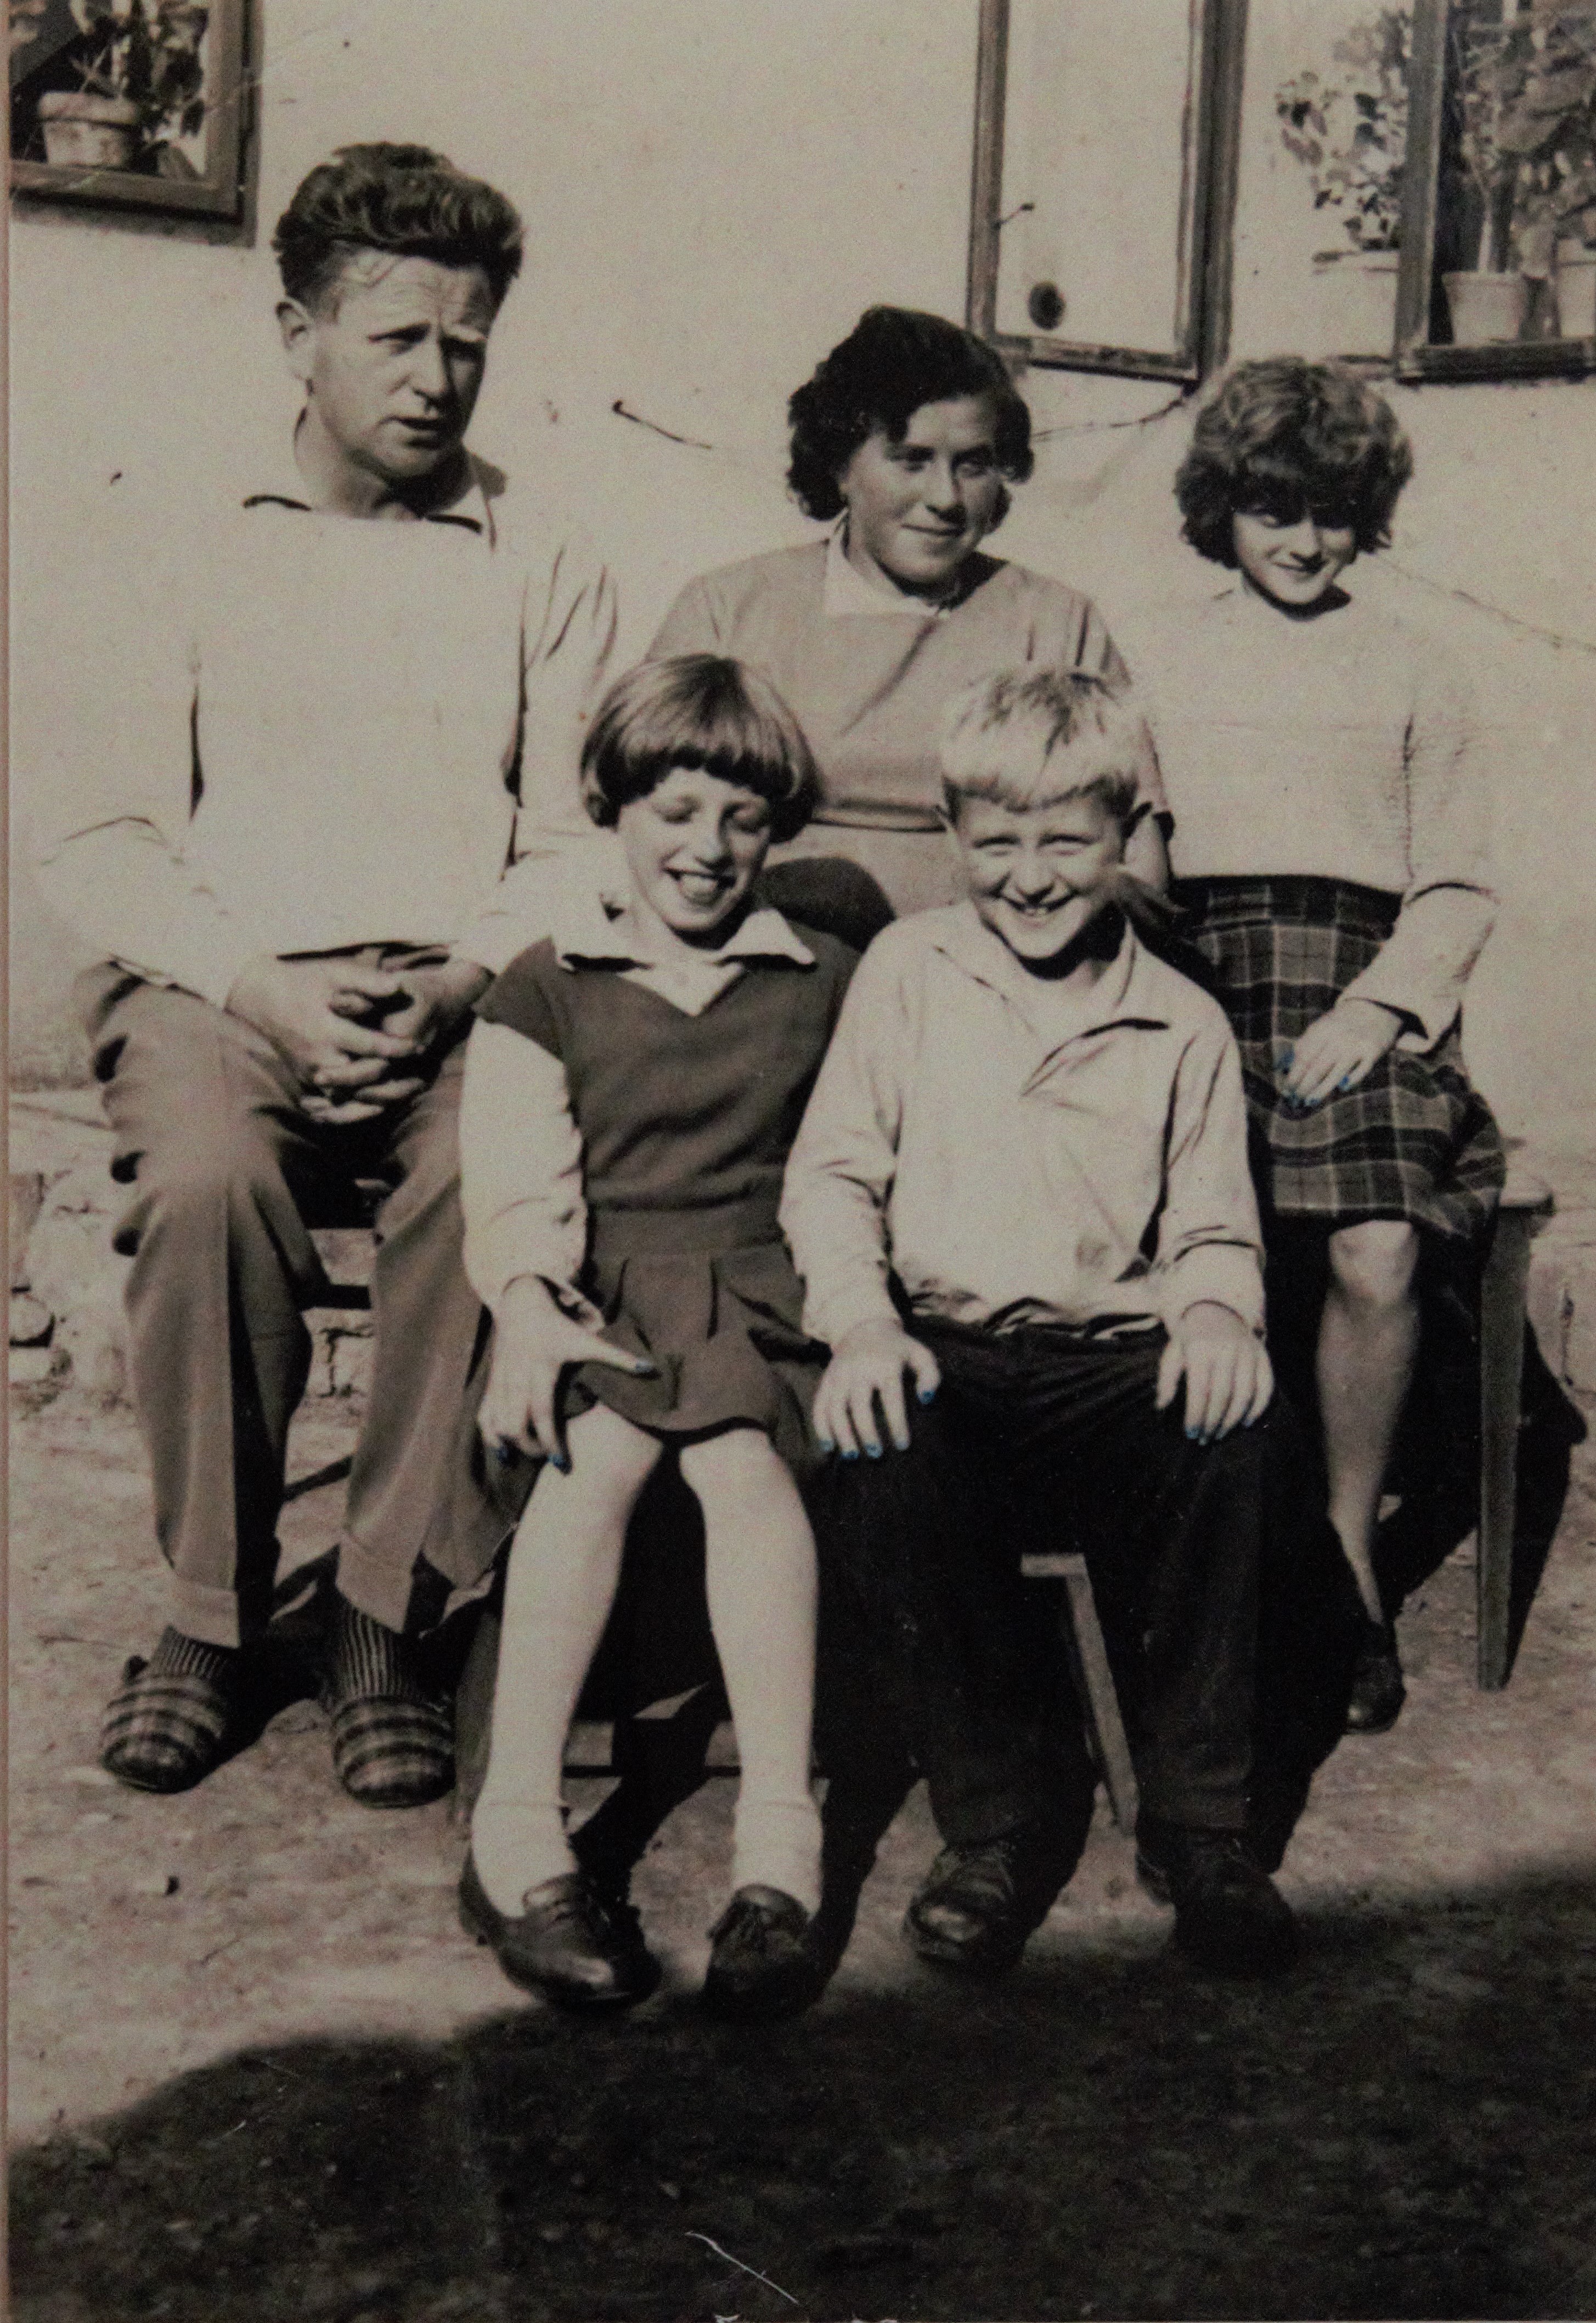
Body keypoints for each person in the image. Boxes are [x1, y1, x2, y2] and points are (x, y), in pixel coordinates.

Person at [32, 144, 617, 1806]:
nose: (438, 378)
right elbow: (102, 833)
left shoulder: (539, 552)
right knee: (208, 1182)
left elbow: (574, 838)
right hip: (222, 985)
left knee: (495, 1190)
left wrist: (460, 982)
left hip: (462, 990)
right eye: (398, 338)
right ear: (298, 334)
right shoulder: (173, 533)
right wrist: (260, 986)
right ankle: (211, 1616)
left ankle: (382, 1611)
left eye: (468, 343)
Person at [782, 667, 1350, 1981]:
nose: (1029, 878)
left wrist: (1213, 1315)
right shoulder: (908, 973)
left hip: (1109, 1358)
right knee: (881, 1452)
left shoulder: (1178, 1018)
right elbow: (832, 1176)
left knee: (1239, 1437)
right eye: (996, 842)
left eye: (1064, 842)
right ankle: (992, 1818)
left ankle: (1200, 1824)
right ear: (949, 829)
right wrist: (860, 1326)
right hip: (945, 1347)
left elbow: (1210, 1224)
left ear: (1126, 835)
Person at [456, 655, 857, 2018]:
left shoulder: (824, 979)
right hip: (598, 1289)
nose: (707, 847)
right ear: (614, 812)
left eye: (742, 819)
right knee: (594, 1461)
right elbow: (519, 1187)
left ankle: (779, 1850)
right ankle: (519, 1833)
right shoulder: (546, 985)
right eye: (674, 811)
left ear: (776, 827)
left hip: (762, 1294)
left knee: (743, 1466)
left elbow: (851, 1165)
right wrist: (528, 1304)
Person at [1148, 358, 1503, 1734]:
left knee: (1374, 1246)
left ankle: (1344, 1559)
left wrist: (1376, 1010)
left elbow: (1455, 883)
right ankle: (1190, 1559)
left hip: (1357, 983)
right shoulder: (1156, 652)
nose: (1303, 541)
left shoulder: (1414, 664)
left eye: (1332, 514)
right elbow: (1130, 848)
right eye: (1272, 509)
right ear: (1220, 507)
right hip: (1192, 974)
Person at [646, 303, 1169, 923]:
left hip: (993, 955)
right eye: (911, 460)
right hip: (768, 949)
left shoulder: (1054, 623)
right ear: (840, 465)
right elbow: (646, 826)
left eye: (972, 465)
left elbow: (1137, 858)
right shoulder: (727, 611)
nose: (945, 498)